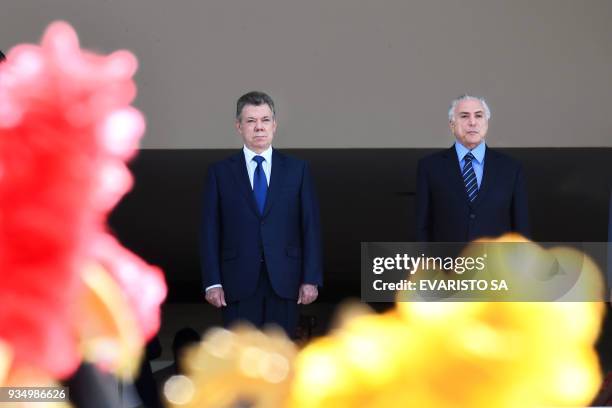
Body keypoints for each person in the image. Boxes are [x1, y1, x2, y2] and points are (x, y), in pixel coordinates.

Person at [200, 91, 323, 337]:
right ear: (239, 126)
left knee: (280, 359)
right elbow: (210, 230)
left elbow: (310, 226)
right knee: (240, 361)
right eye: (251, 121)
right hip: (236, 282)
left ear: (274, 125)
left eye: (265, 120)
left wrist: (311, 278)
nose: (259, 127)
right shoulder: (220, 172)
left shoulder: (297, 170)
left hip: (285, 280)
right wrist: (212, 281)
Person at [416, 94, 530, 242]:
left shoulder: (511, 168)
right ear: (452, 124)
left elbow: (521, 229)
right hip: (448, 263)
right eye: (464, 116)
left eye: (478, 116)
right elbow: (421, 228)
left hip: (496, 263)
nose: (472, 122)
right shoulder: (430, 167)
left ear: (486, 123)